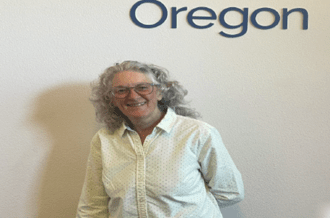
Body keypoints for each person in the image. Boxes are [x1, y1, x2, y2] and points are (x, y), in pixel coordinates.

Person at [76, 61, 244, 217]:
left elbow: (230, 191)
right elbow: (93, 205)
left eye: (142, 87)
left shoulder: (197, 133)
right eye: (121, 90)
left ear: (160, 92)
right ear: (112, 99)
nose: (133, 96)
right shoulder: (104, 140)